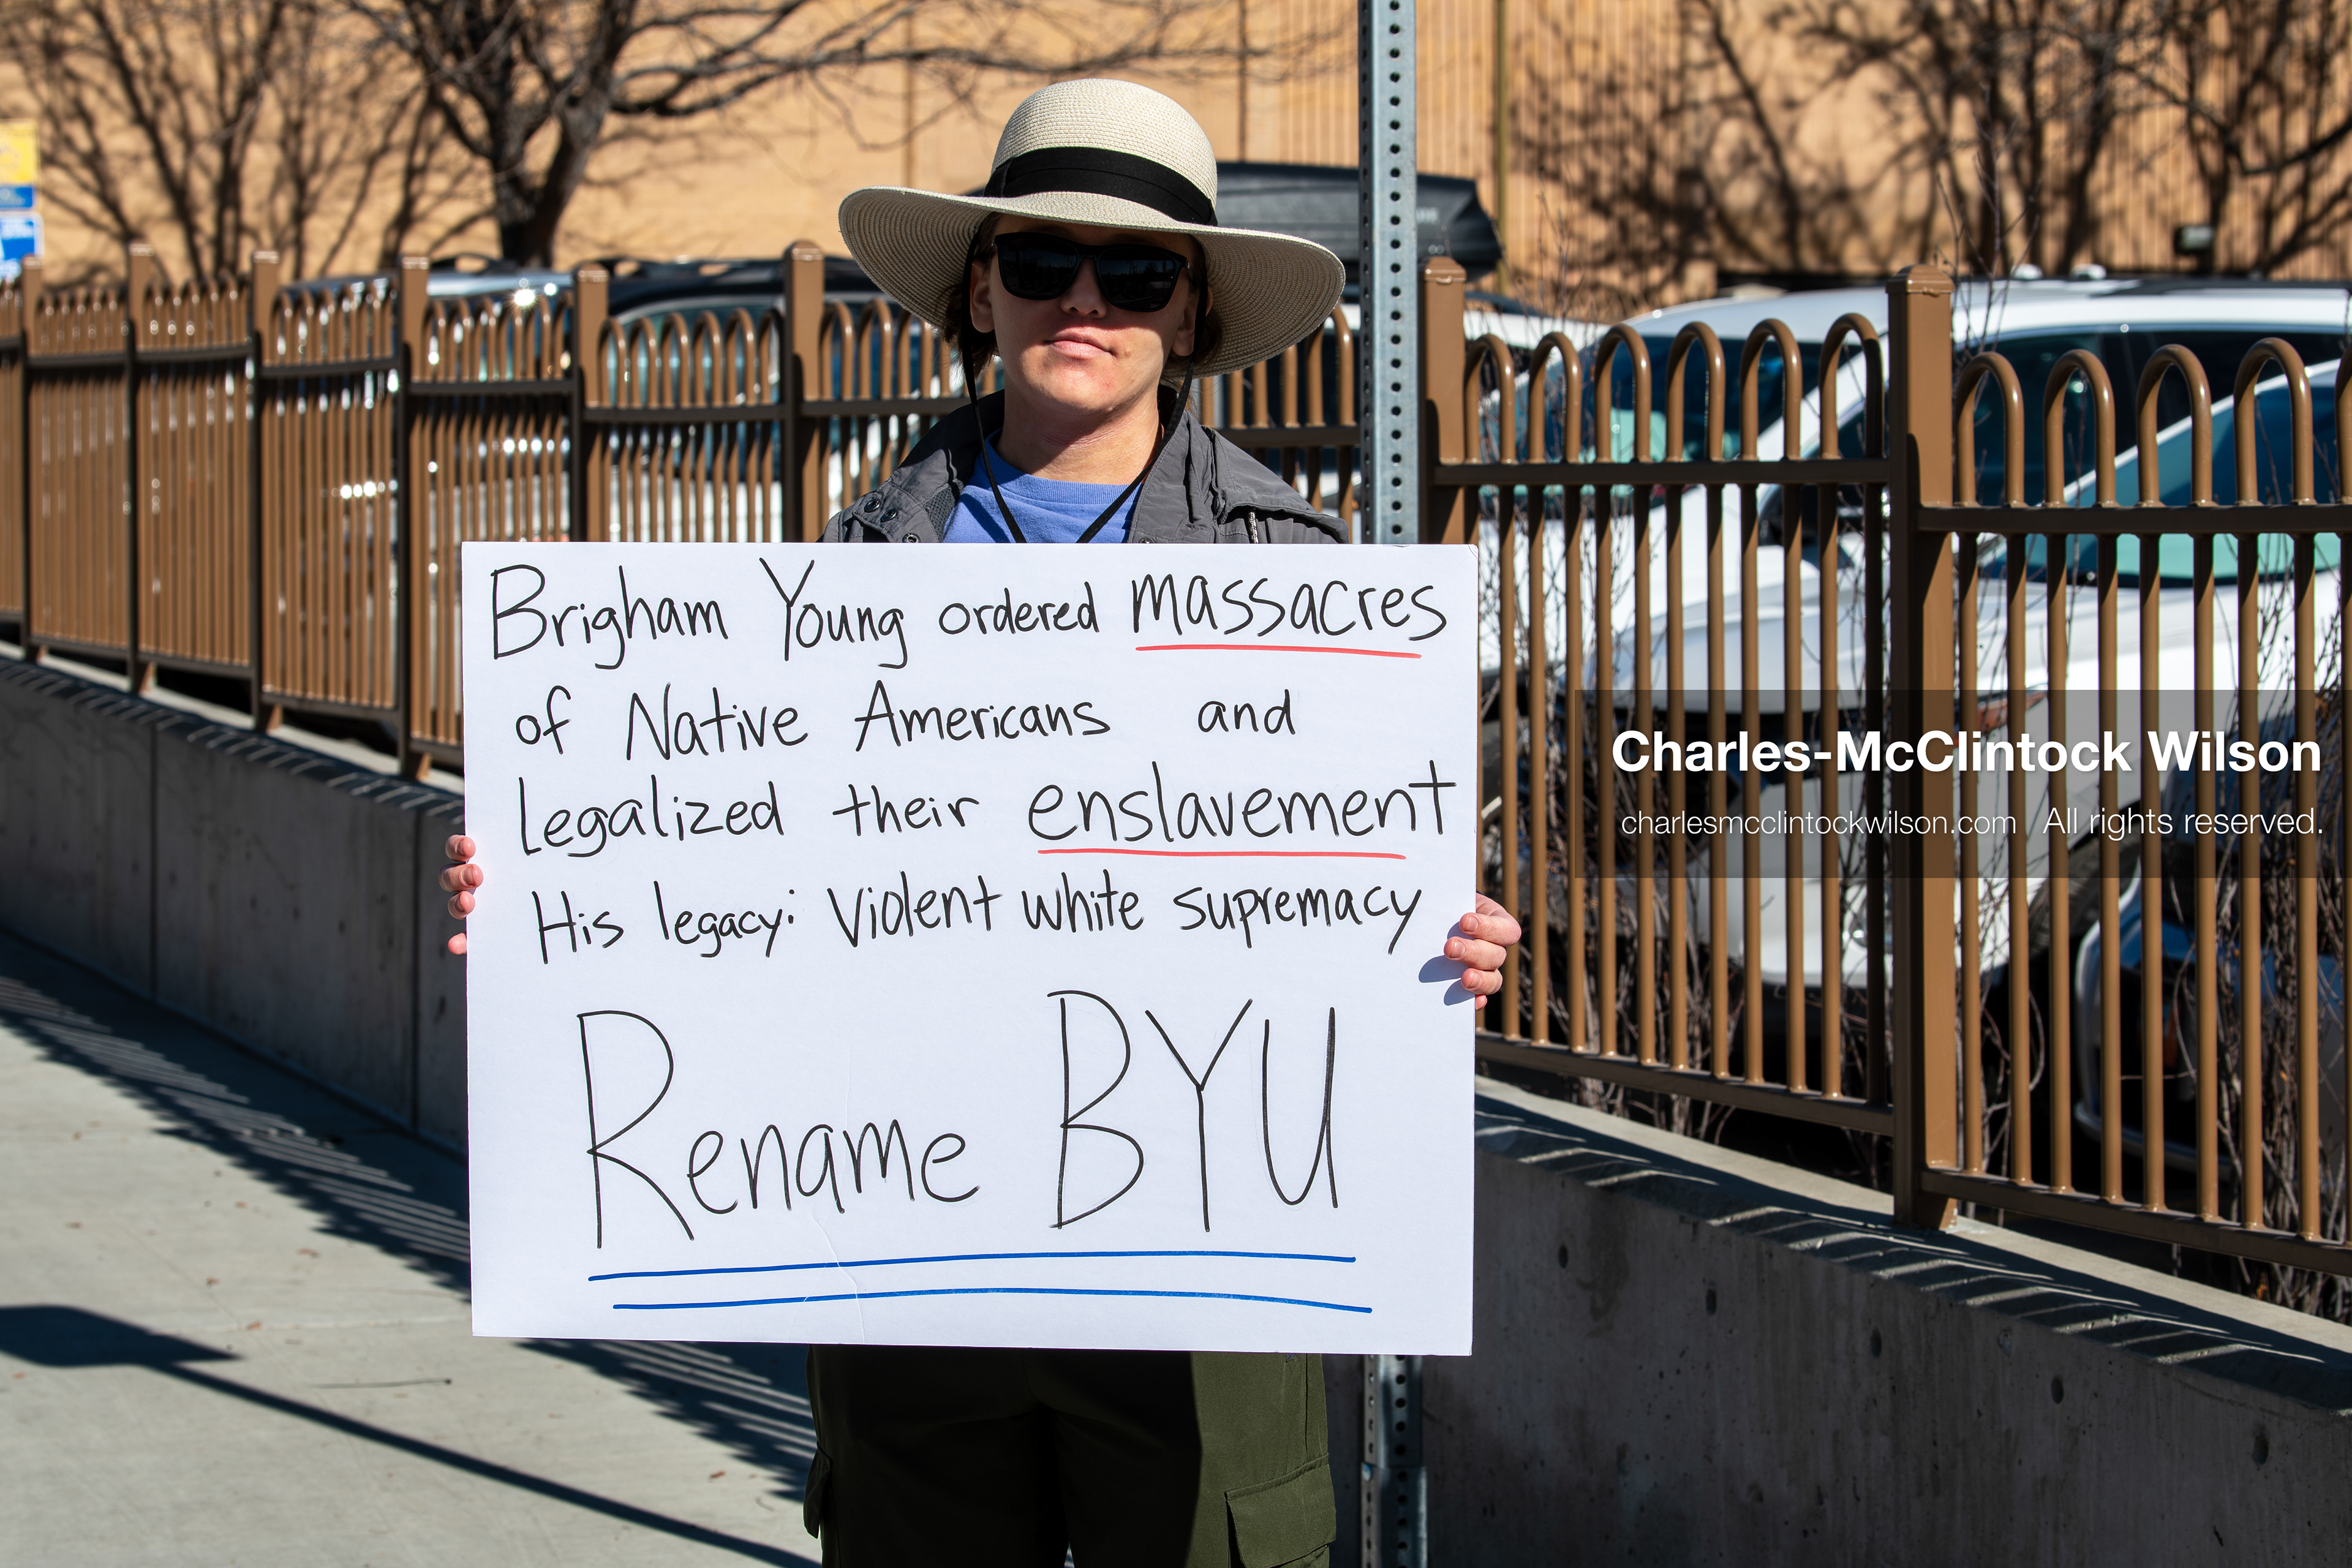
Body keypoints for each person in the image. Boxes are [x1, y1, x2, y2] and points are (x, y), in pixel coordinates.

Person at [439, 78, 1521, 1568]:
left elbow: (1369, 894)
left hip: (1197, 1271)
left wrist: (1455, 944)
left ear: (1192, 314)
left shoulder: (1303, 583)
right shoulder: (851, 565)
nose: (1084, 299)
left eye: (1136, 270)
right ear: (979, 292)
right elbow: (743, 885)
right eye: (1040, 262)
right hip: (917, 1262)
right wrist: (559, 887)